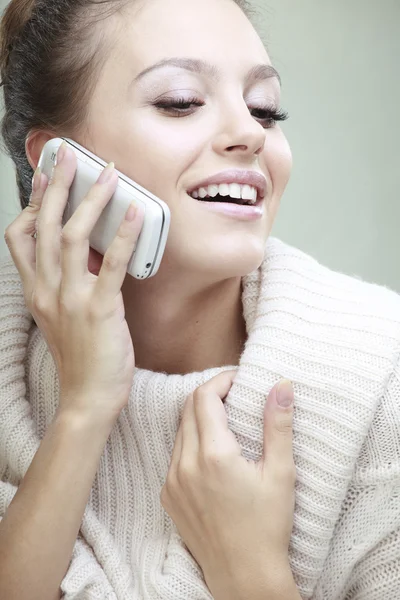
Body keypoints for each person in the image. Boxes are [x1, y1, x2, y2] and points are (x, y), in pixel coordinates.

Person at [0, 0, 399, 598]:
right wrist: (83, 409)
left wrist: (250, 573)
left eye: (266, 109)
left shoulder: (381, 378)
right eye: (181, 101)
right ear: (59, 163)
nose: (248, 133)